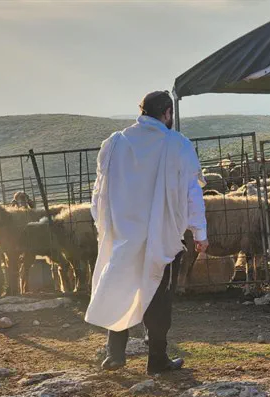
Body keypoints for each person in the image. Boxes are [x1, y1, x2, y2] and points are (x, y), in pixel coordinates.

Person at [85, 91, 208, 374]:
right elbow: (192, 192)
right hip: (161, 235)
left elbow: (98, 193)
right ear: (166, 113)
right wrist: (199, 232)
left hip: (122, 235)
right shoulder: (177, 144)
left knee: (120, 287)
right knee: (158, 296)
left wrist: (103, 227)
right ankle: (156, 360)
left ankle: (114, 354)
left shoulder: (114, 144)